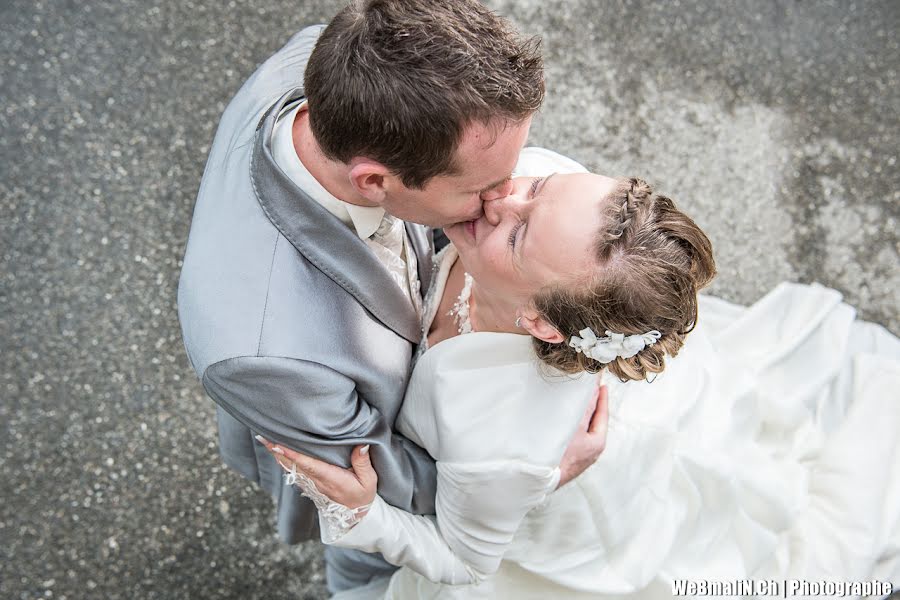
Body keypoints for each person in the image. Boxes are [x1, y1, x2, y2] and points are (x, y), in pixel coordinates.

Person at [261, 148, 900, 598]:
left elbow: (463, 557)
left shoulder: (504, 445)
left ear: (542, 323)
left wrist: (366, 514)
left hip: (555, 502)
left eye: (517, 236)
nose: (500, 197)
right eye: (536, 194)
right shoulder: (542, 181)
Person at [177, 2, 606, 593]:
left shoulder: (330, 60)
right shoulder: (267, 354)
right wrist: (536, 477)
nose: (504, 198)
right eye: (481, 188)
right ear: (374, 182)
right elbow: (379, 480)